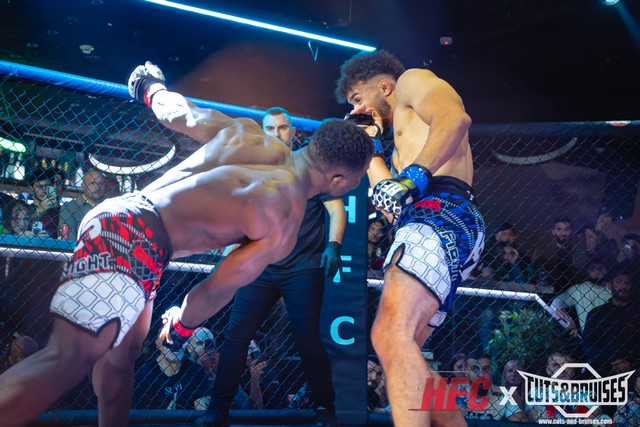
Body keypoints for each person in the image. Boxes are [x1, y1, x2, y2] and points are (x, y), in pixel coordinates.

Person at [0, 61, 372, 427]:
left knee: (121, 358)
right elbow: (214, 290)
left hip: (127, 221)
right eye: (358, 179)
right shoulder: (284, 221)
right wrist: (180, 329)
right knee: (68, 358)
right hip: (138, 239)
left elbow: (180, 113)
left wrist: (149, 87)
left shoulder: (250, 134)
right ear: (339, 180)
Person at [335, 49, 484, 427]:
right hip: (424, 223)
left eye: (358, 98)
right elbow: (391, 205)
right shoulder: (400, 147)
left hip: (441, 211)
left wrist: (414, 176)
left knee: (389, 334)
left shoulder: (410, 81)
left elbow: (455, 119)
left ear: (383, 86)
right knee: (403, 350)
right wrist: (370, 147)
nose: (356, 109)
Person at [195, 106, 345, 427]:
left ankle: (325, 410)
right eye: (270, 128)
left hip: (302, 267)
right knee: (235, 337)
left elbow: (336, 209)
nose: (276, 133)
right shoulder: (252, 169)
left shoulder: (309, 167)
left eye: (282, 128)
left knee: (308, 339)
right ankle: (217, 411)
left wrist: (334, 245)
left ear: (293, 132)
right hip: (261, 266)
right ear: (262, 132)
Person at [58, 168, 108, 241]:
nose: (97, 187)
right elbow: (68, 240)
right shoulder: (70, 207)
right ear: (83, 186)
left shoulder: (109, 208)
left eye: (100, 184)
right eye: (92, 183)